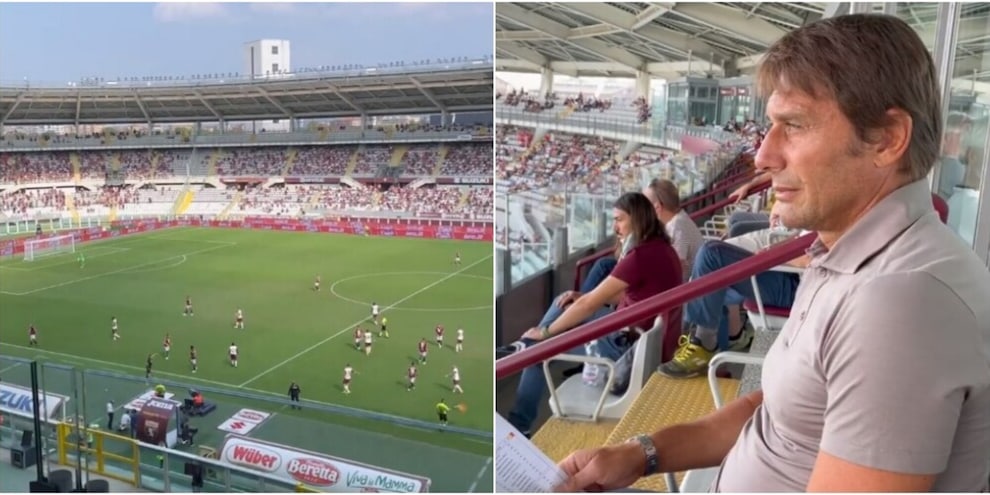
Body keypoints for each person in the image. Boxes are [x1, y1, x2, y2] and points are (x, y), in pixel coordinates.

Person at [554, 14, 990, 492]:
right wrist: (641, 454)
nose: (763, 155)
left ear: (886, 139)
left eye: (794, 125)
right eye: (770, 126)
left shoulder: (901, 303)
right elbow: (780, 412)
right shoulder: (844, 254)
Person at [505, 192, 683, 435]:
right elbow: (630, 297)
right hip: (632, 334)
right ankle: (527, 342)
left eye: (619, 219)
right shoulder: (661, 248)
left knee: (537, 354)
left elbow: (589, 306)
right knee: (565, 302)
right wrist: (581, 299)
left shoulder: (640, 256)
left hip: (621, 346)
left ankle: (519, 425)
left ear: (638, 219)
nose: (615, 226)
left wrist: (547, 332)